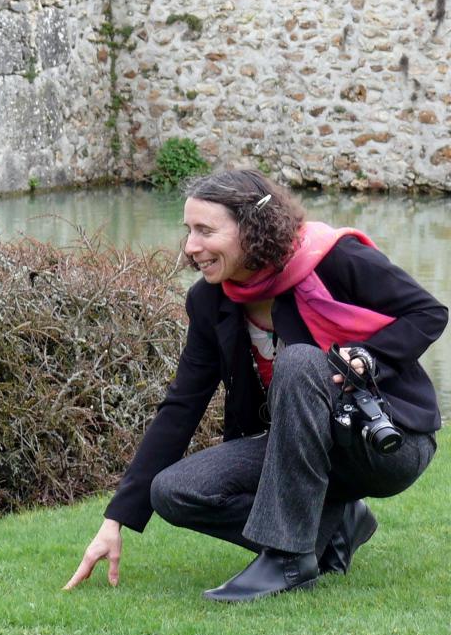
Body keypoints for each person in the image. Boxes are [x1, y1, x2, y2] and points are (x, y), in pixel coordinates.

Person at [65, 169, 445, 601]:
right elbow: (182, 406)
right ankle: (332, 524)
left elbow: (428, 313)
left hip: (384, 441)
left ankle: (288, 557)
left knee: (300, 360)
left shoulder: (335, 259)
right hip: (299, 449)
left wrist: (368, 356)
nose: (191, 247)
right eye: (188, 231)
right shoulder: (209, 301)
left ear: (252, 227)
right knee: (173, 491)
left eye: (205, 230)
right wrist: (116, 520)